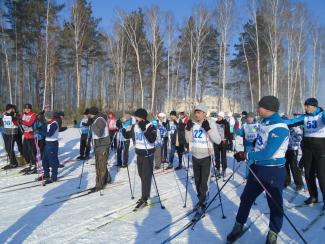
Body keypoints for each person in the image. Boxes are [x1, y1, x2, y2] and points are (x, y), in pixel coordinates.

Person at [227, 96, 289, 244]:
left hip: (273, 171)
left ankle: (273, 232)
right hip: (257, 168)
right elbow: (258, 144)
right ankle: (238, 224)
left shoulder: (280, 127)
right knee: (246, 198)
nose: (257, 109)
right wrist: (246, 153)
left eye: (259, 106)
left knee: (274, 204)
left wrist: (248, 155)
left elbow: (268, 152)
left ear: (268, 108)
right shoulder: (262, 122)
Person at [284, 98, 325, 209]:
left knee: (321, 175)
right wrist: (277, 122)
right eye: (305, 106)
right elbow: (290, 122)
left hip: (321, 148)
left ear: (314, 106)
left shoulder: (322, 115)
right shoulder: (305, 117)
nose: (305, 108)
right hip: (307, 148)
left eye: (307, 106)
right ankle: (313, 196)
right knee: (308, 173)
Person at [185, 104, 221, 217]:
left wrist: (208, 129)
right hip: (195, 156)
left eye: (199, 112)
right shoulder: (193, 124)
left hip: (206, 156)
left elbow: (218, 140)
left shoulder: (210, 123)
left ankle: (202, 202)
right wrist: (187, 130)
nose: (196, 114)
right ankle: (200, 199)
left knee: (204, 182)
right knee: (197, 181)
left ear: (205, 113)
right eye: (196, 112)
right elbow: (189, 140)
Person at [133, 108, 157, 210]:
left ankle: (144, 198)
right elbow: (128, 135)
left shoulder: (150, 126)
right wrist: (123, 128)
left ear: (141, 117)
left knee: (146, 177)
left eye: (136, 117)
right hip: (139, 154)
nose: (135, 118)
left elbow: (152, 139)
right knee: (141, 175)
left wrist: (144, 130)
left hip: (148, 154)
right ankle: (145, 194)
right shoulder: (135, 126)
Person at [87, 107, 112, 192]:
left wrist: (92, 124)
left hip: (103, 145)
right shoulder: (96, 119)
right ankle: (107, 179)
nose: (88, 116)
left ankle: (100, 184)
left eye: (89, 114)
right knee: (100, 164)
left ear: (92, 114)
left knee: (100, 166)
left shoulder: (100, 119)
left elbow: (99, 133)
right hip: (98, 145)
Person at [236, 112, 259, 178]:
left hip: (256, 146)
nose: (249, 119)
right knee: (249, 161)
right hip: (247, 146)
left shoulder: (257, 125)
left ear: (253, 118)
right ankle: (248, 176)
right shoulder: (245, 125)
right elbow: (241, 133)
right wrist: (237, 130)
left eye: (251, 117)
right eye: (248, 117)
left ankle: (257, 176)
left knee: (256, 162)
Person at [42, 111, 60, 184]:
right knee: (44, 160)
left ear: (48, 117)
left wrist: (41, 131)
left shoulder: (54, 124)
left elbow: (49, 134)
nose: (44, 118)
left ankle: (54, 177)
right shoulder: (48, 123)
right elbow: (44, 130)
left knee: (53, 161)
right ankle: (46, 174)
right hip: (47, 143)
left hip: (53, 143)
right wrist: (36, 131)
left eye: (45, 116)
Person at [0, 104, 20, 169]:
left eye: (11, 109)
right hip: (6, 133)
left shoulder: (15, 115)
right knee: (7, 148)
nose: (10, 110)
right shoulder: (4, 115)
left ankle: (14, 163)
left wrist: (14, 118)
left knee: (10, 148)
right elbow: (2, 123)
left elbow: (18, 123)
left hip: (12, 133)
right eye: (9, 109)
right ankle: (12, 162)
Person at [21, 103, 38, 174]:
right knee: (25, 151)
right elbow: (19, 123)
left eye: (28, 108)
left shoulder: (33, 115)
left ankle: (34, 165)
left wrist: (21, 121)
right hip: (25, 135)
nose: (27, 110)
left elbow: (29, 123)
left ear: (30, 109)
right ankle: (28, 164)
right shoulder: (23, 115)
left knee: (31, 151)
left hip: (32, 136)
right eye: (25, 108)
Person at [214, 111, 230, 178]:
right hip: (216, 142)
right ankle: (217, 169)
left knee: (223, 157)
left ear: (222, 117)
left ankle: (224, 170)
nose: (218, 117)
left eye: (219, 116)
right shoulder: (215, 123)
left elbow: (228, 132)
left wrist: (226, 138)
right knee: (217, 156)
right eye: (217, 116)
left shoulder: (226, 123)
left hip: (223, 142)